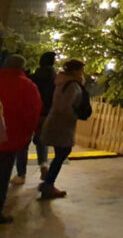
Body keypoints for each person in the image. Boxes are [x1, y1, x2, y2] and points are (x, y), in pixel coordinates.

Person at [0, 56, 42, 225]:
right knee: (2, 176)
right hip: (11, 139)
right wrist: (28, 133)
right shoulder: (27, 86)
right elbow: (32, 113)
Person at [39, 58, 88, 200]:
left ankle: (47, 182)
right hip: (62, 125)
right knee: (63, 152)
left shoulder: (62, 83)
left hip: (56, 122)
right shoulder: (72, 85)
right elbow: (65, 107)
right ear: (75, 71)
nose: (82, 73)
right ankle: (48, 184)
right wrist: (74, 115)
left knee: (61, 153)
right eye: (81, 70)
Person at [16, 52, 56, 185]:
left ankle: (21, 174)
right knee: (41, 141)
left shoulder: (32, 78)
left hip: (29, 113)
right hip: (46, 115)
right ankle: (44, 165)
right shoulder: (55, 79)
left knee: (23, 143)